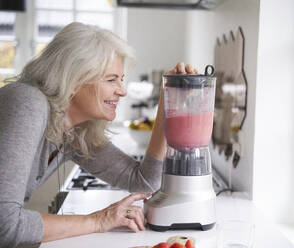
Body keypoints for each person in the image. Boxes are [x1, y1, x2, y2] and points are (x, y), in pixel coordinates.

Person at [0, 22, 198, 248]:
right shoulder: (26, 102)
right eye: (111, 79)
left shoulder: (73, 132)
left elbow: (143, 182)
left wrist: (168, 101)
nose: (122, 91)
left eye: (121, 79)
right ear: (74, 78)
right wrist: (98, 220)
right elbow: (4, 225)